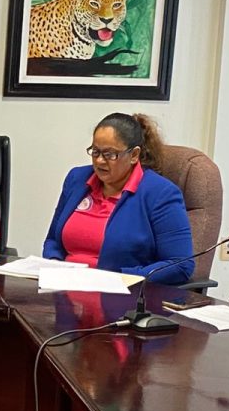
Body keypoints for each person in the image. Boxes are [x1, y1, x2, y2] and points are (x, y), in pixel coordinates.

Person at [43, 112, 193, 284]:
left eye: (110, 154)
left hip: (118, 296)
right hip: (63, 289)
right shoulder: (77, 179)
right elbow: (53, 241)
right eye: (95, 152)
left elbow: (180, 265)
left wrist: (123, 278)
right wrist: (54, 266)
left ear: (134, 155)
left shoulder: (160, 193)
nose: (99, 161)